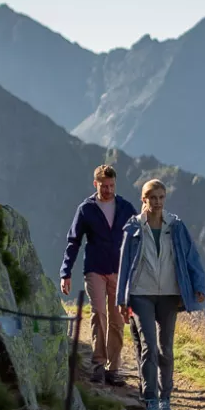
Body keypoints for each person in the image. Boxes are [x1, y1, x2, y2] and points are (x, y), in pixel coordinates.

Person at [117, 178, 205, 410]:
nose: (156, 202)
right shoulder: (134, 228)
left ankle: (166, 398)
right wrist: (121, 299)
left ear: (164, 199)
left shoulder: (175, 226)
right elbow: (124, 264)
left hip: (169, 294)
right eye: (152, 198)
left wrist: (198, 285)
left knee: (165, 348)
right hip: (141, 294)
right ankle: (150, 400)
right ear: (143, 200)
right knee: (149, 348)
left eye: (160, 198)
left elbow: (191, 256)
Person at [60, 164, 137, 385]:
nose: (108, 190)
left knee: (117, 318)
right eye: (104, 186)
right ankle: (98, 364)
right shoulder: (86, 209)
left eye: (112, 186)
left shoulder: (125, 208)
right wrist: (66, 272)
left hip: (120, 271)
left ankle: (113, 369)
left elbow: (138, 239)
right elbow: (74, 241)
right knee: (98, 313)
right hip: (94, 268)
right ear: (96, 184)